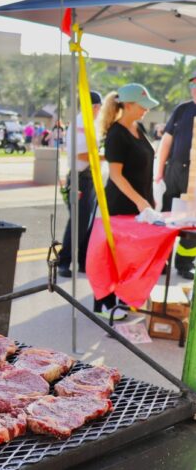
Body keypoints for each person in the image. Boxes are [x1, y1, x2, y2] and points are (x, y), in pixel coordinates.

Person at [95, 83, 159, 316]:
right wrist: (140, 200)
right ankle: (104, 303)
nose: (145, 110)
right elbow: (116, 175)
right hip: (120, 205)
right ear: (128, 105)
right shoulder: (116, 134)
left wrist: (148, 200)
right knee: (114, 255)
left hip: (140, 204)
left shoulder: (138, 127)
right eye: (142, 106)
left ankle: (123, 297)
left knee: (130, 256)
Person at [154, 70, 196, 279]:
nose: (195, 89)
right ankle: (162, 261)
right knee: (168, 217)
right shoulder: (182, 110)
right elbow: (167, 141)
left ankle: (185, 263)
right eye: (193, 85)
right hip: (175, 171)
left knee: (192, 222)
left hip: (195, 176)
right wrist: (160, 170)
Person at [58, 91, 102, 278]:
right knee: (79, 222)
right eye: (99, 107)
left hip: (87, 178)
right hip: (80, 178)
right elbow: (82, 155)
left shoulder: (86, 123)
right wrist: (108, 157)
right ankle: (63, 261)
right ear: (94, 107)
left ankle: (83, 262)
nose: (100, 111)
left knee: (88, 223)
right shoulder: (82, 123)